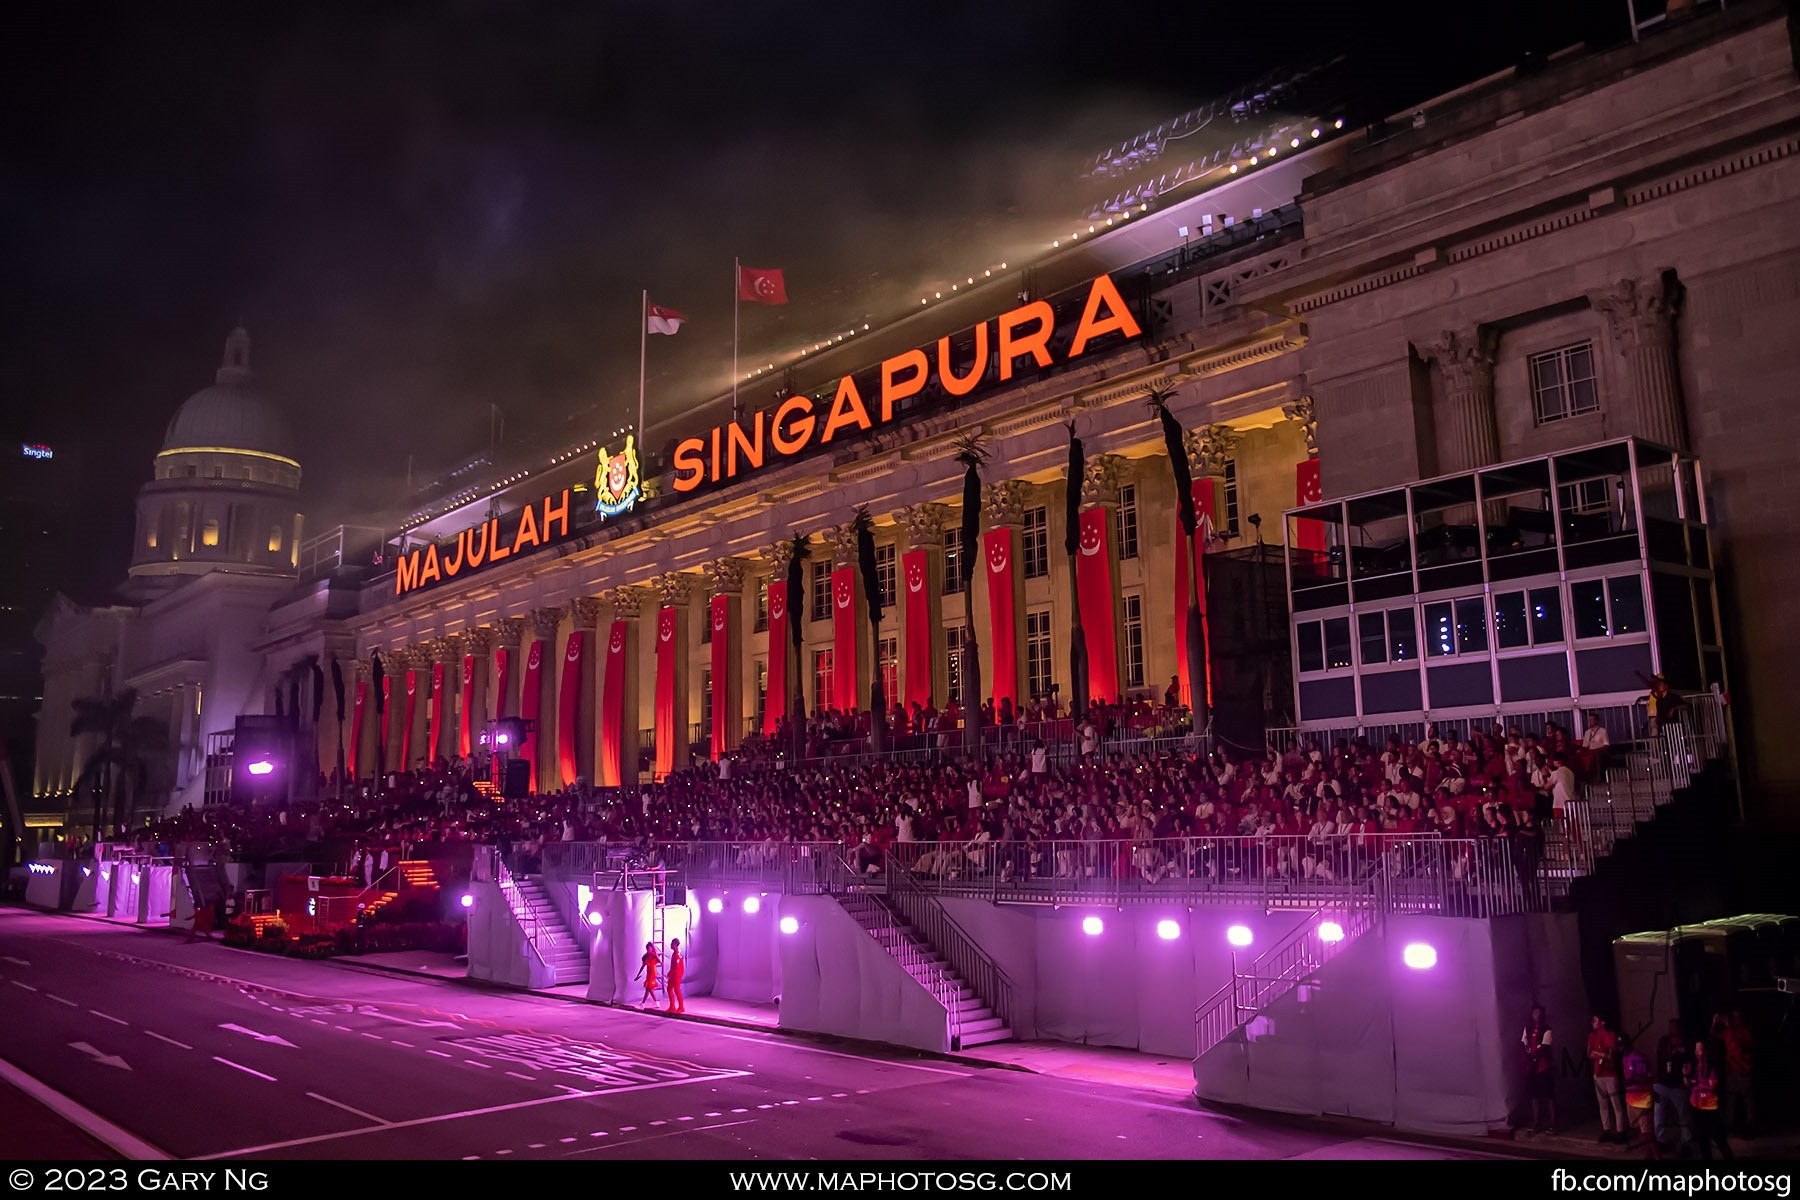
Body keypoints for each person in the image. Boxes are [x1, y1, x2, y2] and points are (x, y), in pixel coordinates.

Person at [1654, 1021, 1693, 1155]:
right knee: (1659, 1113)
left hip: (1678, 1085)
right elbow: (1659, 1059)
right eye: (1669, 1026)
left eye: (1673, 1026)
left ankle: (1686, 1143)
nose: (1671, 1028)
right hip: (1662, 1084)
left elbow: (1689, 1061)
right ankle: (1661, 1141)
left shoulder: (1685, 1043)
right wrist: (1657, 1078)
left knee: (1683, 1115)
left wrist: (1686, 1080)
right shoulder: (1664, 1041)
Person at [1688, 1039, 1731, 1160]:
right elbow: (1688, 1084)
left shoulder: (1712, 1066)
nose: (1697, 1052)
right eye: (1696, 1049)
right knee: (1702, 1138)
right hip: (1696, 1106)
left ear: (1706, 1051)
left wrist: (1695, 1083)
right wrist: (1687, 1077)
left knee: (1719, 1137)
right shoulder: (1693, 1066)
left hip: (1710, 1107)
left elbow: (1712, 1086)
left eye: (1699, 1049)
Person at [1589, 1015, 1627, 1144]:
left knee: (1615, 1103)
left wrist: (1599, 1054)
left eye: (1595, 1020)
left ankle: (1620, 1130)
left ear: (1602, 1023)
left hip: (1610, 1073)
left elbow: (1611, 1054)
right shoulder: (1592, 1036)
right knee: (1602, 1103)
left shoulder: (1610, 1035)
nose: (1593, 1023)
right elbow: (1589, 1054)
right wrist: (1603, 1054)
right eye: (1593, 1021)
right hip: (1597, 1074)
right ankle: (1606, 1129)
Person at [1720, 1010, 1757, 1137]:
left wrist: (1729, 1029)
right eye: (1732, 1016)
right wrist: (1714, 1023)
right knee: (1731, 1099)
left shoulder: (1745, 1031)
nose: (1734, 1018)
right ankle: (1729, 1126)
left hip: (1744, 1070)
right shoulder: (1728, 1032)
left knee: (1748, 1101)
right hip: (1732, 1071)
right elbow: (1713, 1036)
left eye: (1736, 1016)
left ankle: (1750, 1128)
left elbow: (1741, 1045)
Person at [1521, 1005, 1557, 1133]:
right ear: (1532, 1014)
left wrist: (1534, 1056)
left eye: (1540, 1013)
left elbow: (1544, 1048)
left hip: (1543, 1066)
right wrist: (1529, 1057)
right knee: (1534, 1095)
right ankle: (1537, 1123)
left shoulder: (1547, 1029)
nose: (1537, 1015)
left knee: (1549, 1095)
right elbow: (1525, 1044)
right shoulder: (1528, 1028)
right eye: (1535, 1013)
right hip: (1532, 1067)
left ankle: (1553, 1123)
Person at [634, 940, 661, 1007]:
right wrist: (637, 975)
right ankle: (656, 1002)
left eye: (649, 948)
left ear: (652, 948)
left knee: (648, 988)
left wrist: (656, 956)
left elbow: (659, 959)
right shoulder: (646, 957)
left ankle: (642, 1004)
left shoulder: (654, 955)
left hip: (653, 973)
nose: (648, 950)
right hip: (648, 973)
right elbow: (642, 967)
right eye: (647, 949)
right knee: (650, 988)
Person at [665, 937, 686, 1014]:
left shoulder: (677, 954)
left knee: (676, 990)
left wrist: (673, 973)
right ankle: (672, 1006)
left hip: (676, 974)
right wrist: (670, 971)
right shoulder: (676, 952)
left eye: (672, 944)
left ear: (675, 944)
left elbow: (677, 966)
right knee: (669, 988)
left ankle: (681, 1007)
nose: (670, 945)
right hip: (674, 973)